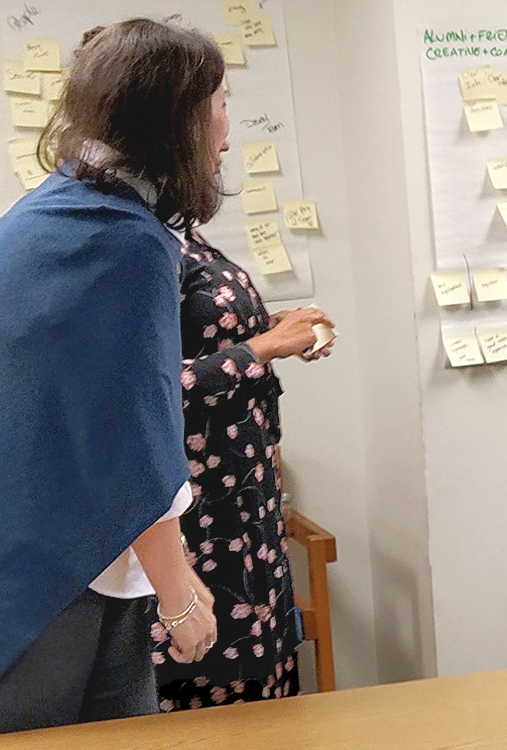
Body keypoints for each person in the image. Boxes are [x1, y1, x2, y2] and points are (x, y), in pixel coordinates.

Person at [0, 19, 224, 736]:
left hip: (35, 558)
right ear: (179, 119)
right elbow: (126, 435)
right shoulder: (121, 241)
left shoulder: (55, 213)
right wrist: (178, 595)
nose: (228, 132)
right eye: (220, 106)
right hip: (45, 581)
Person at [154, 230, 335, 708]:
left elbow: (199, 339)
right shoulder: (136, 244)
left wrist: (276, 331)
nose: (226, 149)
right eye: (214, 146)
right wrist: (262, 349)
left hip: (249, 509)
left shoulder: (184, 235)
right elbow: (140, 389)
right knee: (204, 682)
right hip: (195, 512)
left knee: (265, 689)